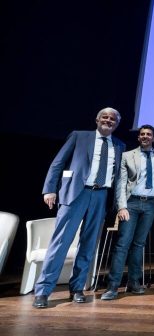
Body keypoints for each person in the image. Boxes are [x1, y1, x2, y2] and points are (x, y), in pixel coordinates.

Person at [33, 107, 125, 308]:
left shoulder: (119, 145)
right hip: (76, 194)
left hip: (101, 196)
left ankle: (77, 288)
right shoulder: (79, 136)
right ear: (97, 119)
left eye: (113, 119)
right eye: (105, 117)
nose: (108, 121)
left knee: (88, 245)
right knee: (60, 243)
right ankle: (43, 291)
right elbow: (58, 163)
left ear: (117, 124)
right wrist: (49, 189)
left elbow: (117, 178)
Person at [100, 125, 154, 300]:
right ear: (138, 138)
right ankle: (112, 287)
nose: (145, 137)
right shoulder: (128, 155)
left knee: (139, 245)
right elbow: (120, 183)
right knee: (123, 244)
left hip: (150, 205)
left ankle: (134, 283)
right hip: (131, 204)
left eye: (149, 134)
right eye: (142, 134)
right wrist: (122, 206)